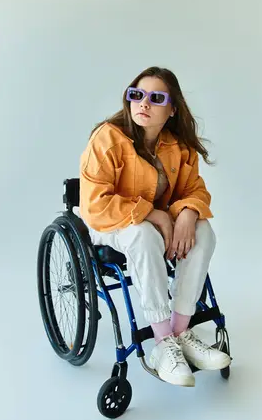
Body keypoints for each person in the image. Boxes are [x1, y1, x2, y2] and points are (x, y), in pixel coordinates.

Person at [79, 66, 231, 387]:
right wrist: (153, 213)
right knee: (142, 233)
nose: (143, 103)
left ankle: (180, 329)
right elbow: (95, 204)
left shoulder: (177, 147)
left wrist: (188, 213)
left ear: (172, 109)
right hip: (107, 223)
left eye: (155, 98)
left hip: (153, 225)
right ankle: (163, 343)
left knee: (204, 232)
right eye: (137, 95)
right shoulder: (108, 139)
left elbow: (195, 190)